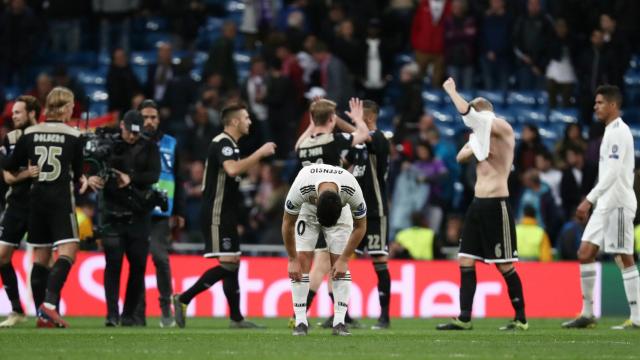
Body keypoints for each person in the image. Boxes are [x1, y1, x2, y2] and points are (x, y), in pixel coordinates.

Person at [172, 103, 276, 329]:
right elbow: (232, 169)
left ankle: (236, 319)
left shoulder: (232, 146)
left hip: (226, 213)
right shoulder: (223, 143)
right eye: (246, 118)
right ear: (235, 121)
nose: (250, 121)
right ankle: (183, 298)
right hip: (216, 213)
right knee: (228, 265)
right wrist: (259, 153)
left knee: (233, 263)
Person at [436, 78, 528, 331]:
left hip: (497, 204)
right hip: (477, 205)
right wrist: (474, 144)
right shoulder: (480, 135)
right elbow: (460, 156)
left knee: (504, 264)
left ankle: (520, 318)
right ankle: (464, 318)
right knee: (465, 259)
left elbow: (469, 117)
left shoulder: (501, 126)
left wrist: (453, 92)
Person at [4, 87, 92, 328]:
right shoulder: (73, 135)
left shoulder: (30, 133)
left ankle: (42, 316)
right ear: (63, 108)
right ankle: (49, 306)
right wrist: (82, 181)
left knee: (41, 259)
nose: (73, 110)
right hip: (60, 201)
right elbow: (76, 174)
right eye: (72, 106)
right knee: (69, 252)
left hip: (36, 201)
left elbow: (11, 165)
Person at [562, 85, 640, 330]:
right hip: (605, 203)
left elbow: (615, 173)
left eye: (600, 103)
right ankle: (587, 313)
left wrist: (589, 199)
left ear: (613, 105)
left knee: (623, 257)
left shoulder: (619, 132)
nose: (595, 107)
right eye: (595, 103)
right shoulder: (608, 132)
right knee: (585, 253)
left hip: (617, 203)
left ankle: (638, 317)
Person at [293, 97, 368, 329]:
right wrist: (356, 119)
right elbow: (364, 134)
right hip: (335, 203)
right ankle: (335, 316)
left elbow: (297, 146)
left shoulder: (304, 145)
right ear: (333, 119)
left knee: (321, 262)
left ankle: (305, 313)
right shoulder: (335, 141)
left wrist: (312, 121)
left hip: (310, 202)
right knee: (333, 261)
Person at [284, 163, 367, 336]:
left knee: (338, 264)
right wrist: (292, 259)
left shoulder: (351, 190)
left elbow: (361, 226)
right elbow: (287, 223)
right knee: (303, 259)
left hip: (340, 212)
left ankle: (339, 323)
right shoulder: (301, 188)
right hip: (307, 209)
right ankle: (300, 322)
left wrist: (344, 259)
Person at [96, 110, 161, 327]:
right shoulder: (109, 145)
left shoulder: (150, 146)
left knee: (138, 266)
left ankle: (128, 314)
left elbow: (154, 175)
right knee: (113, 264)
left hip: (139, 214)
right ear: (121, 125)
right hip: (113, 213)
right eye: (129, 132)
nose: (132, 137)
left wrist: (130, 178)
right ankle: (111, 315)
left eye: (136, 134)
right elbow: (95, 167)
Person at [133, 99, 186, 328]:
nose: (149, 121)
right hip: (136, 209)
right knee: (137, 262)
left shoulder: (171, 143)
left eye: (153, 117)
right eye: (145, 117)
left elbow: (179, 178)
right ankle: (137, 313)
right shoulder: (131, 142)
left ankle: (166, 308)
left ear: (159, 119)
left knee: (159, 257)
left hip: (162, 211)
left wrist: (180, 211)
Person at [345, 100, 392, 329]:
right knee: (340, 259)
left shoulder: (380, 138)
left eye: (359, 116)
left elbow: (362, 135)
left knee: (379, 260)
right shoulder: (359, 145)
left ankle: (384, 316)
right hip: (355, 212)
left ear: (369, 118)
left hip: (375, 211)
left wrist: (351, 122)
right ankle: (341, 314)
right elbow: (346, 158)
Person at [0, 96, 40, 327]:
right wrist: (27, 173)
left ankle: (45, 310)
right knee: (2, 257)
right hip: (16, 205)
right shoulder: (10, 138)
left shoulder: (44, 135)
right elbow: (7, 176)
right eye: (13, 112)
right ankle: (17, 310)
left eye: (18, 112)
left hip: (41, 205)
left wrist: (21, 173)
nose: (13, 116)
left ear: (31, 112)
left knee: (44, 260)